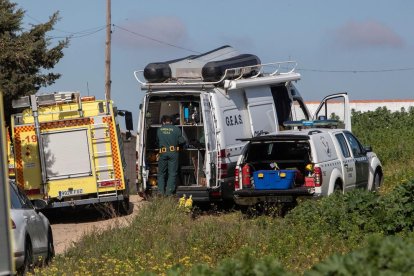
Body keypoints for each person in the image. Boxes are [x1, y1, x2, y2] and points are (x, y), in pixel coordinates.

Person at [157, 115, 185, 196]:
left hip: (163, 153)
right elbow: (182, 141)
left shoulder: (159, 130)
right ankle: (169, 192)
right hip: (173, 153)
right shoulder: (176, 129)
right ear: (172, 122)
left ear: (163, 122)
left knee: (161, 173)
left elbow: (157, 142)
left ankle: (161, 192)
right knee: (172, 173)